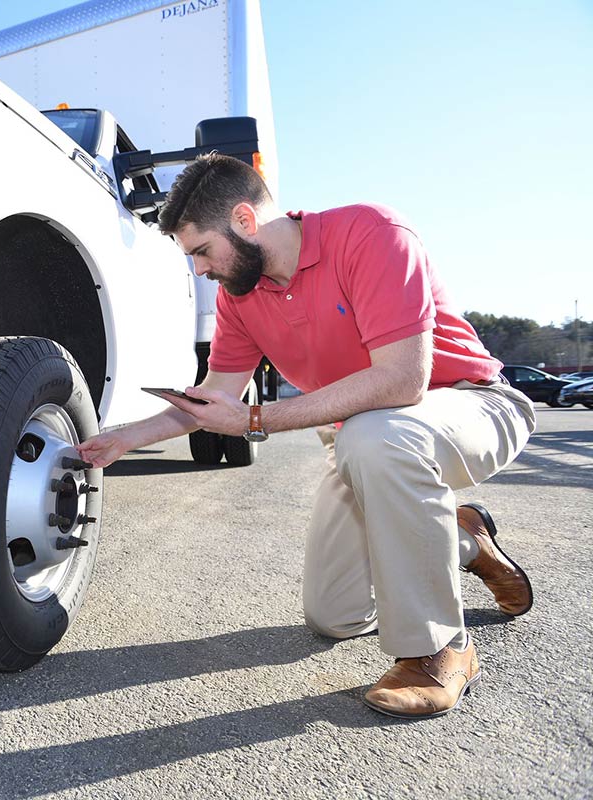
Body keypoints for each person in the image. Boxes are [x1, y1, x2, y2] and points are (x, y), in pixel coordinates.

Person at [76, 153, 536, 719]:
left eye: (201, 252)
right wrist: (122, 438)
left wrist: (255, 421)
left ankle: (439, 649)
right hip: (369, 438)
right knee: (333, 616)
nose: (199, 270)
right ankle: (464, 539)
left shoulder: (371, 233)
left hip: (471, 403)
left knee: (376, 436)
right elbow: (214, 397)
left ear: (244, 220)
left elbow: (401, 379)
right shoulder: (240, 296)